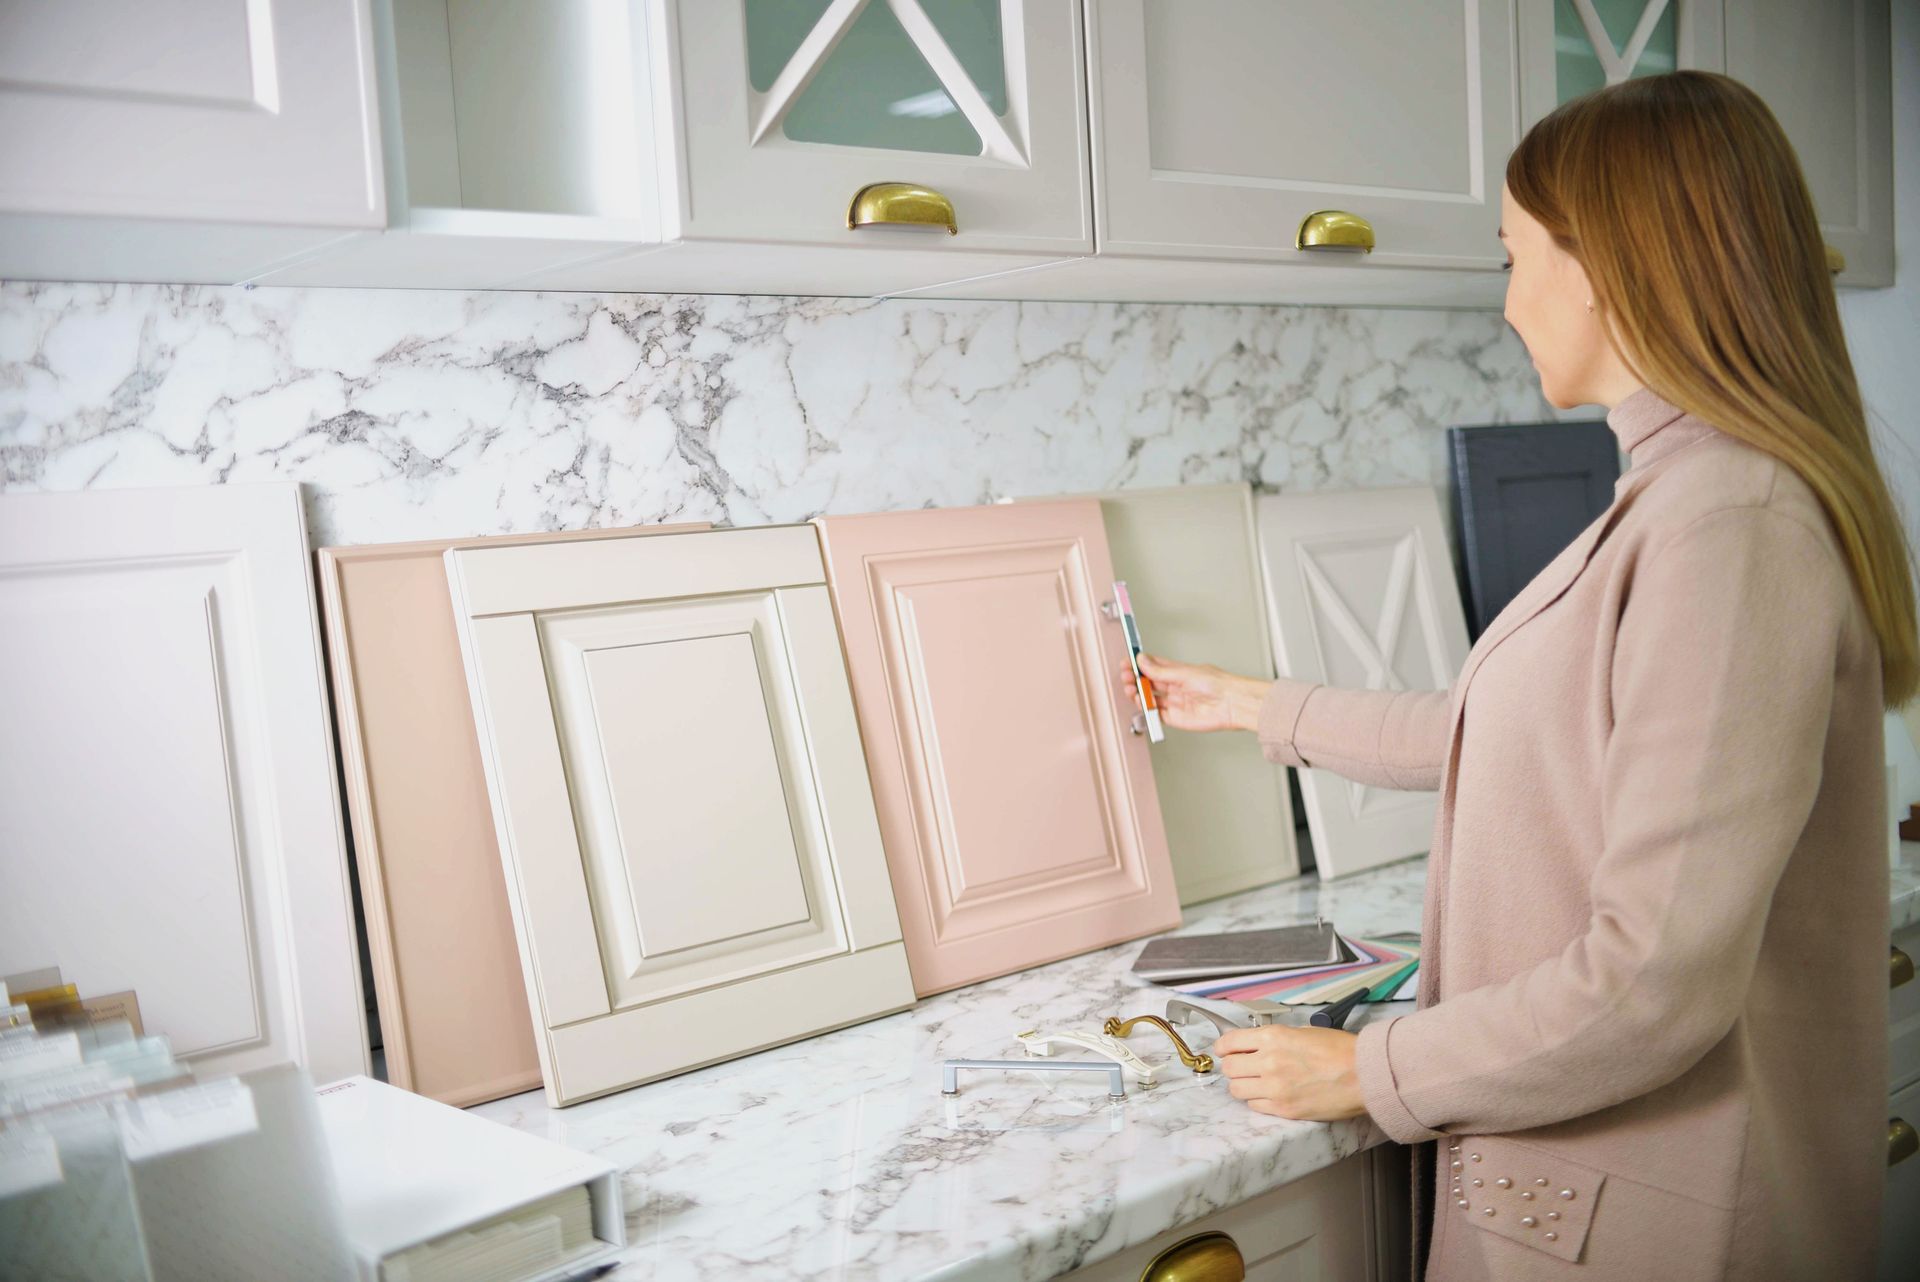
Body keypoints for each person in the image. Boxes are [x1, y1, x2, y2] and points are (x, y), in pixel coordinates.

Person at [1139, 71, 1917, 1281]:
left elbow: (1652, 981)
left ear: (1604, 263)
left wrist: (1366, 1069)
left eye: (1512, 258)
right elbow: (1528, 728)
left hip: (1658, 1219)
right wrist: (1254, 707)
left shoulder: (1728, 524)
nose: (1505, 304)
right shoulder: (1690, 492)